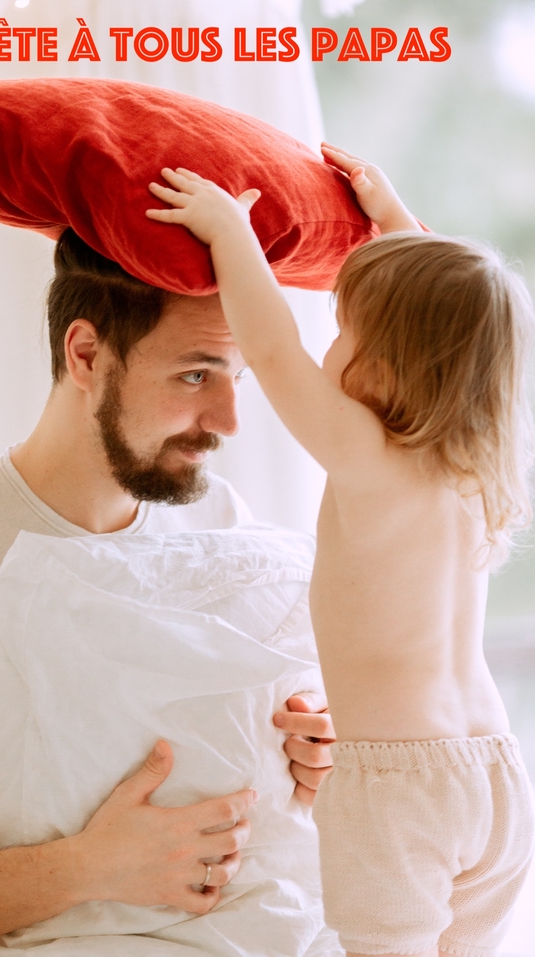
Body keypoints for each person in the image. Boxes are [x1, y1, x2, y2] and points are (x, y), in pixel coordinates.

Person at [0, 228, 336, 956]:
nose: (228, 420)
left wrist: (307, 747)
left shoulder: (218, 523)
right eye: (196, 376)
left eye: (238, 376)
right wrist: (90, 867)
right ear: (86, 354)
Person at [146, 147, 535, 957]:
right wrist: (391, 218)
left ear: (385, 369)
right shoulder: (473, 470)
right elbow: (454, 317)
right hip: (496, 773)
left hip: (398, 782)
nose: (331, 349)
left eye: (346, 332)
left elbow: (277, 348)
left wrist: (230, 233)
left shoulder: (370, 457)